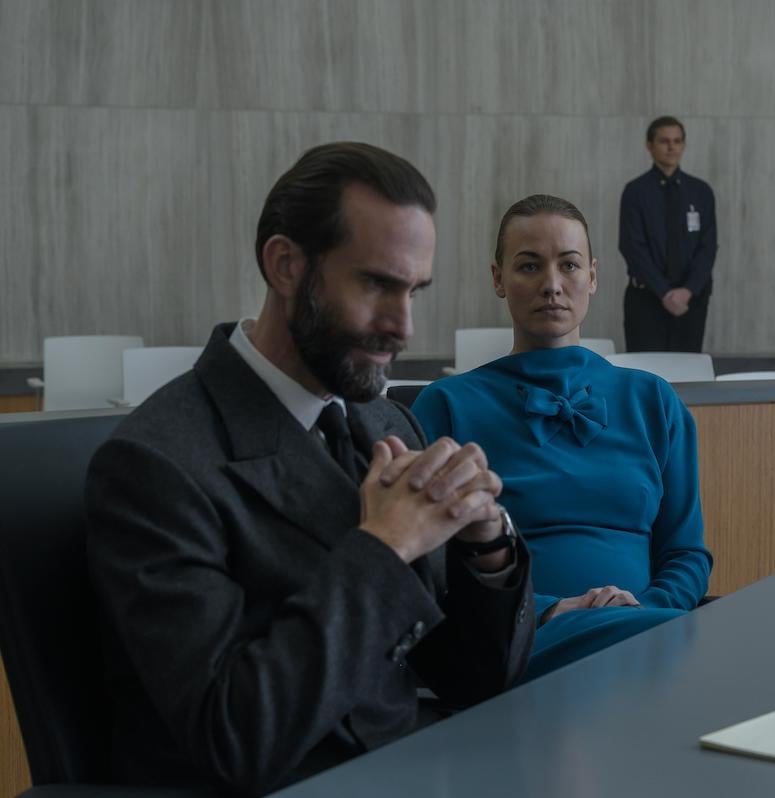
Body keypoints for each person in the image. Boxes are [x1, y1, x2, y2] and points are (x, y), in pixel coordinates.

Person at [85, 142, 534, 796]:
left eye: (414, 291)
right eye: (376, 284)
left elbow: (475, 679)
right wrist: (386, 547)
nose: (403, 326)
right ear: (285, 265)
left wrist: (486, 545)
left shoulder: (388, 423)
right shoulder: (153, 465)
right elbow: (233, 738)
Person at [412, 194, 711, 682]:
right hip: (515, 640)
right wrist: (548, 609)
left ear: (592, 276)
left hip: (645, 634)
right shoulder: (446, 404)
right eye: (529, 266)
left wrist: (643, 609)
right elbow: (430, 565)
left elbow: (685, 554)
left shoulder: (654, 400)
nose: (552, 285)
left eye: (569, 265)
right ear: (498, 279)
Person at [618, 115, 718, 352]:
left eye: (677, 141)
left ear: (684, 145)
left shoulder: (701, 192)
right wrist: (664, 292)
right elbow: (632, 247)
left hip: (690, 300)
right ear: (649, 145)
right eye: (664, 141)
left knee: (687, 369)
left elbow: (708, 247)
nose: (671, 147)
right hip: (647, 298)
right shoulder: (635, 192)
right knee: (645, 368)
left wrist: (687, 291)